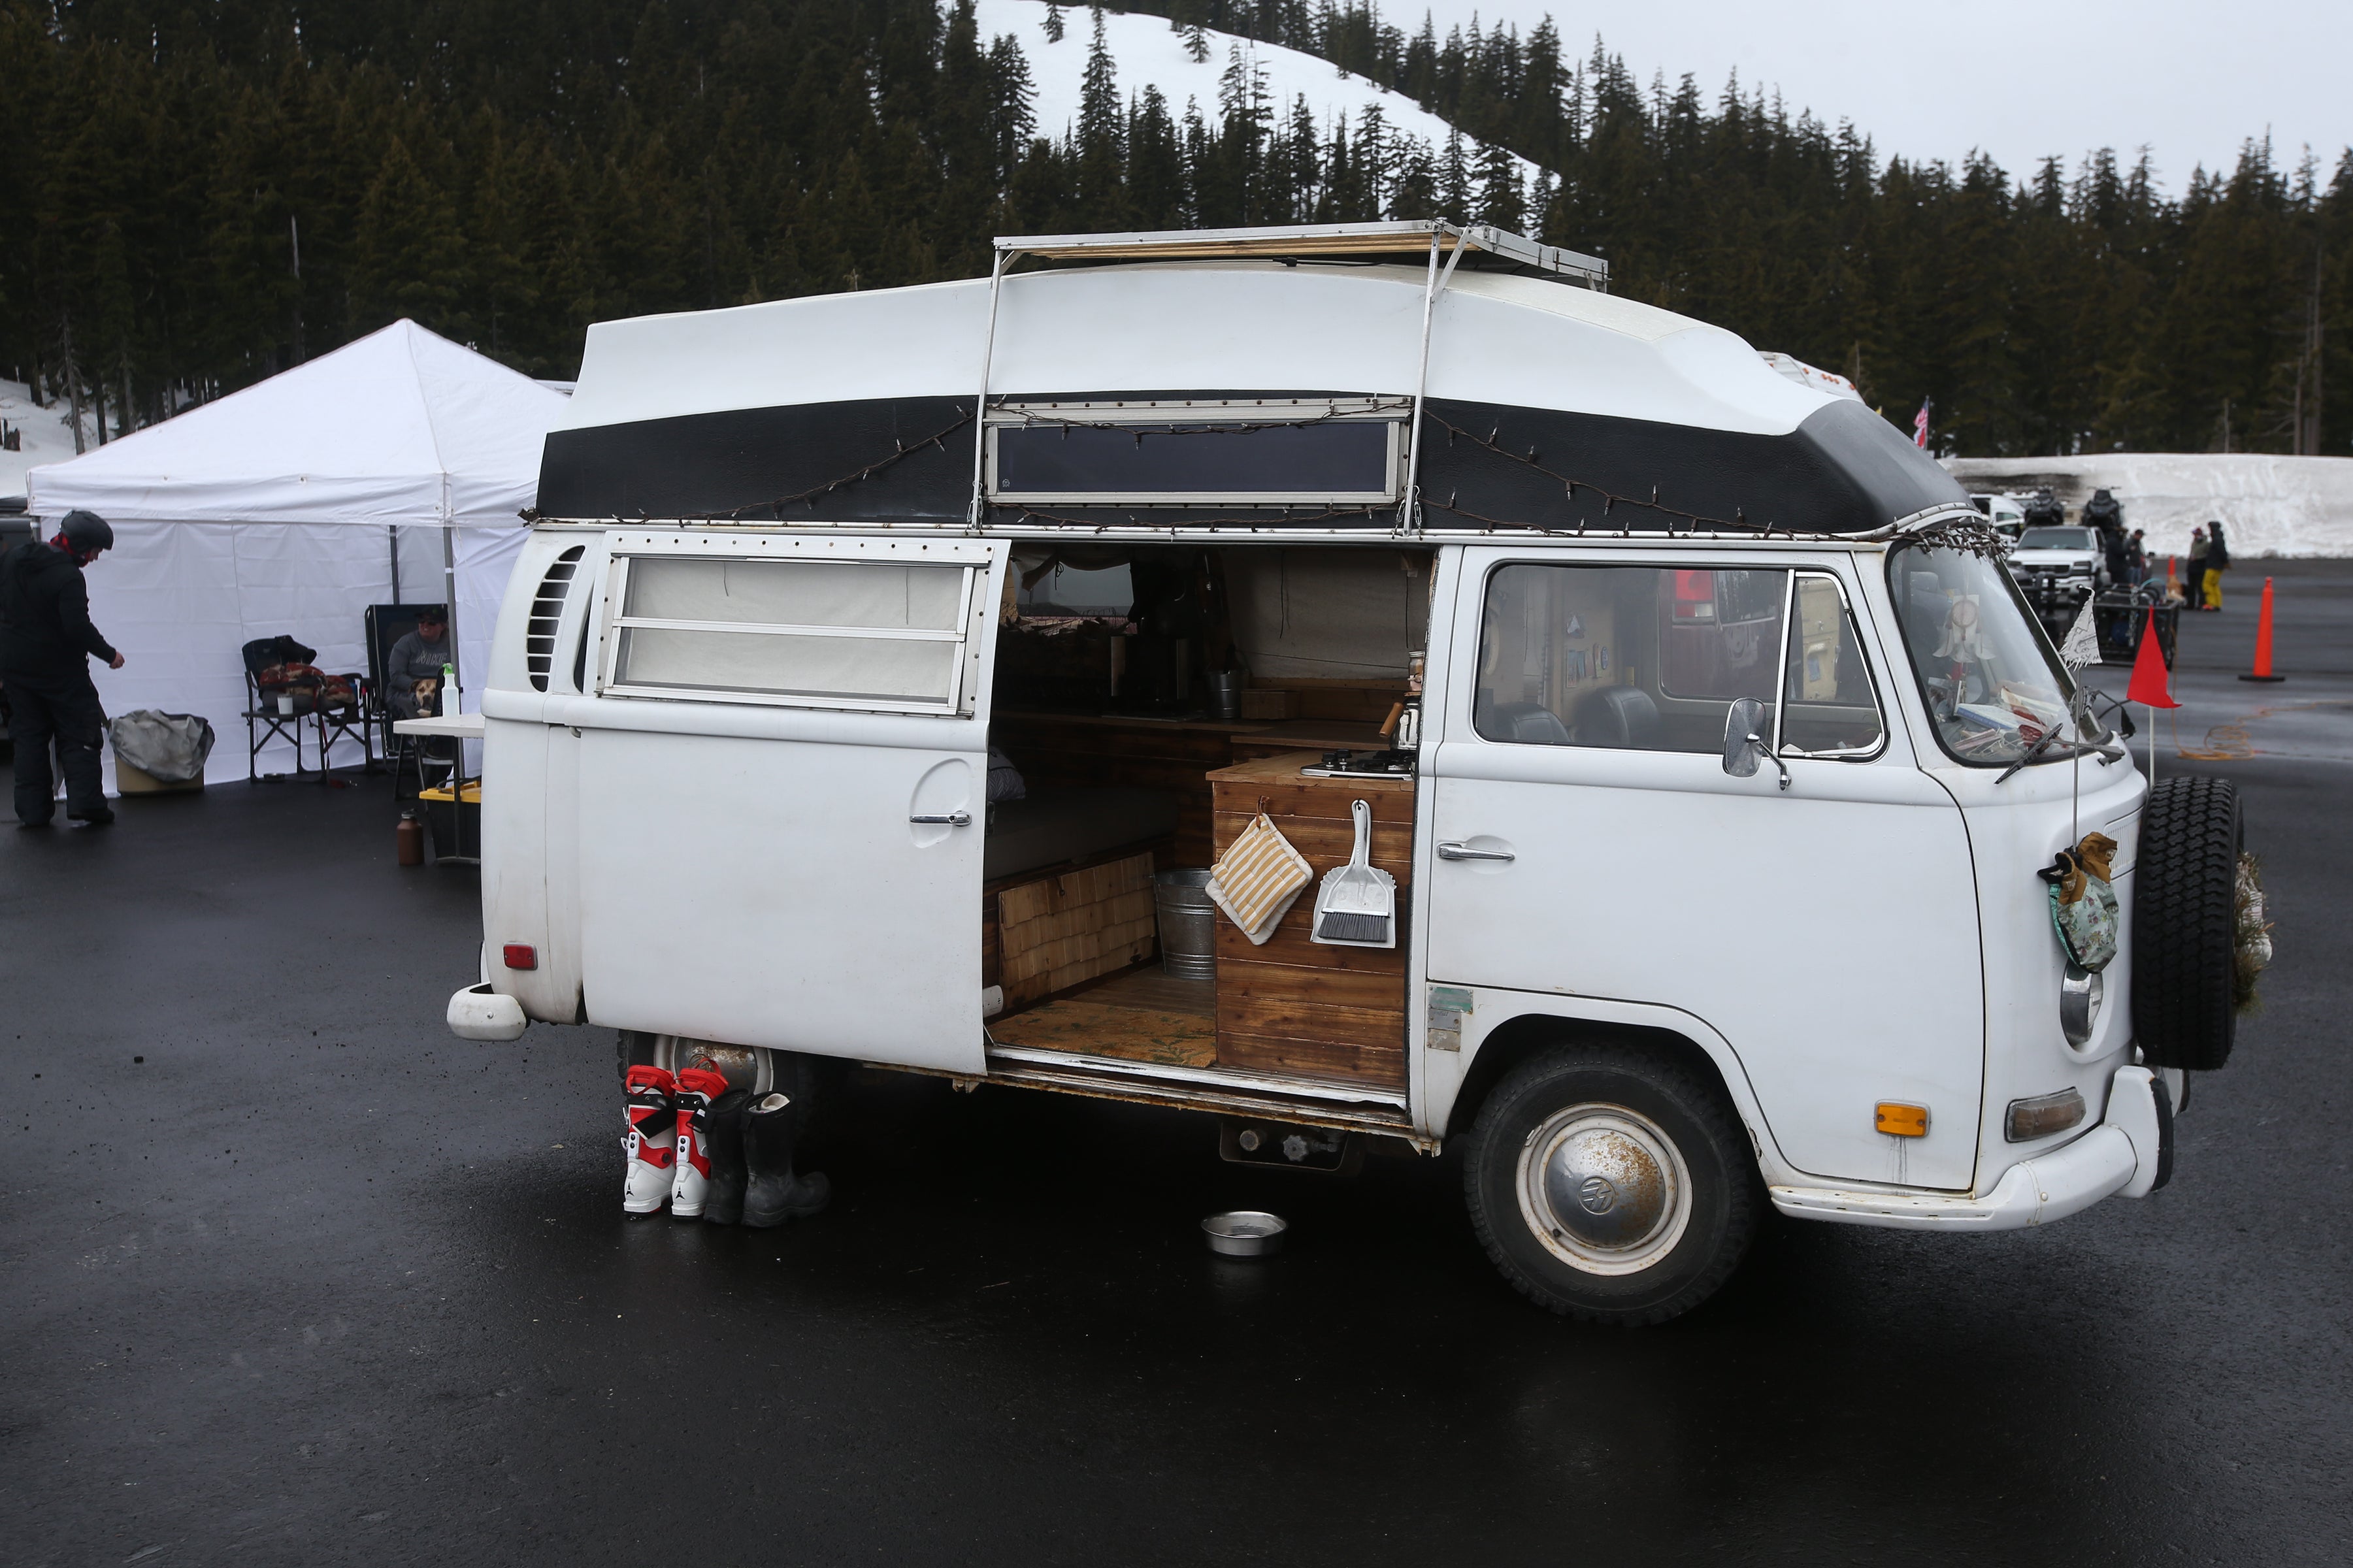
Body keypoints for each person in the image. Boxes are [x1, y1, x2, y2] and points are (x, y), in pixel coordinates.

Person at [0, 510, 123, 828]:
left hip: (15, 668)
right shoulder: (68, 577)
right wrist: (109, 654)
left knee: (29, 736)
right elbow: (76, 627)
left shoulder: (13, 561)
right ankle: (86, 803)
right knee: (80, 731)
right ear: (81, 545)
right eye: (95, 551)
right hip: (61, 670)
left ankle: (33, 812)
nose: (95, 558)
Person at [384, 608, 452, 718]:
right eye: (422, 621)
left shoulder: (452, 644)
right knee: (415, 702)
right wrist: (418, 686)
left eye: (432, 622)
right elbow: (396, 676)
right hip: (406, 692)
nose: (425, 625)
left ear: (443, 626)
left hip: (440, 691)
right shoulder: (405, 643)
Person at [2203, 519, 2230, 610]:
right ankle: (2217, 604)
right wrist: (2225, 562)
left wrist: (2226, 561)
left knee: (2207, 584)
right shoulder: (2219, 538)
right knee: (2214, 584)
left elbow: (2222, 552)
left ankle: (2211, 604)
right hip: (2218, 566)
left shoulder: (2217, 539)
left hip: (2213, 566)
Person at [2185, 527, 2209, 609]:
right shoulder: (2194, 543)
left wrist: (2198, 558)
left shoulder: (2206, 544)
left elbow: (2207, 556)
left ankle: (2201, 604)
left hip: (2200, 568)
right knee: (2191, 587)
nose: (2195, 536)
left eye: (2196, 534)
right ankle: (2190, 604)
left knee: (2200, 587)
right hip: (2192, 567)